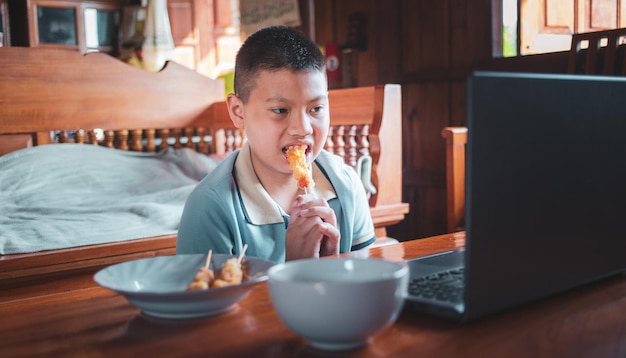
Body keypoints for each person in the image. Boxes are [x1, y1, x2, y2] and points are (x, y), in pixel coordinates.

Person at [176, 26, 376, 262]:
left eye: (316, 109)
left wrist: (332, 264)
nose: (303, 128)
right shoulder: (209, 208)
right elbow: (209, 298)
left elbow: (364, 285)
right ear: (238, 112)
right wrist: (297, 268)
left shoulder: (345, 183)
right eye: (280, 110)